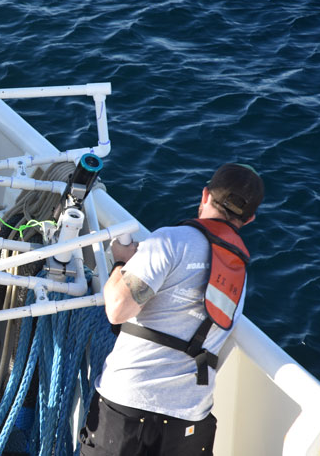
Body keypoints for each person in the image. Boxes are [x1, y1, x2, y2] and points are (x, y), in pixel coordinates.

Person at [79, 163, 265, 456]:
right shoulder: (240, 276)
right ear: (250, 219)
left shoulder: (170, 241)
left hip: (127, 407)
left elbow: (116, 309)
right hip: (189, 422)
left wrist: (120, 263)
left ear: (205, 195)